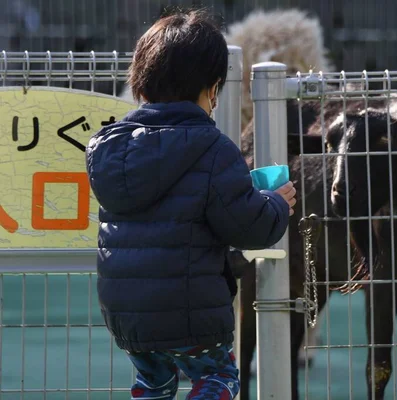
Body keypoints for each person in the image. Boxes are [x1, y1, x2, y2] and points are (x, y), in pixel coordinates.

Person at [85, 8, 295, 400]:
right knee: (218, 379)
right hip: (192, 316)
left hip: (127, 316)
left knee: (155, 382)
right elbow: (249, 226)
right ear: (213, 88)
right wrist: (274, 203)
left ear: (141, 83)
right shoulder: (213, 149)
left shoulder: (107, 149)